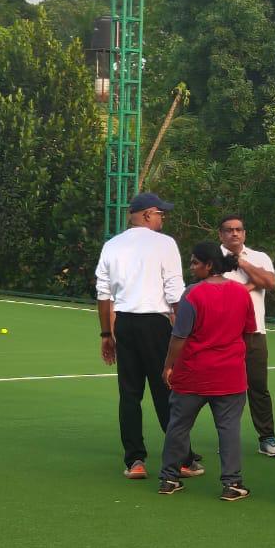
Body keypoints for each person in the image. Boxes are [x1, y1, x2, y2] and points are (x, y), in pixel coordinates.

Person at [95, 192, 195, 479]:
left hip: (124, 323)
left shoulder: (112, 245)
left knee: (129, 394)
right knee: (166, 389)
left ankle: (135, 461)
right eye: (160, 213)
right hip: (156, 324)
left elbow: (104, 294)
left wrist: (106, 333)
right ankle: (183, 459)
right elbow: (175, 291)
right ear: (148, 214)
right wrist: (184, 329)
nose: (163, 217)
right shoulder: (164, 244)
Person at [158, 242, 256, 500]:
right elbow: (248, 331)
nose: (191, 268)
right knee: (229, 429)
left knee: (178, 426)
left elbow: (179, 336)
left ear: (209, 264)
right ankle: (232, 483)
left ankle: (169, 479)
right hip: (230, 376)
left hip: (193, 373)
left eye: (194, 262)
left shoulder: (192, 294)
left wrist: (168, 366)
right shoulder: (241, 293)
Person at [218, 213, 275, 458]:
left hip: (254, 332)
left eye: (238, 229)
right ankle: (227, 438)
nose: (234, 233)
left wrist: (243, 264)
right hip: (223, 334)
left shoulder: (258, 257)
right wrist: (249, 286)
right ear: (221, 234)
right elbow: (216, 291)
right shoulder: (213, 258)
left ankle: (266, 437)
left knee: (258, 387)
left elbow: (269, 282)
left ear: (244, 233)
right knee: (224, 390)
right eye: (229, 230)